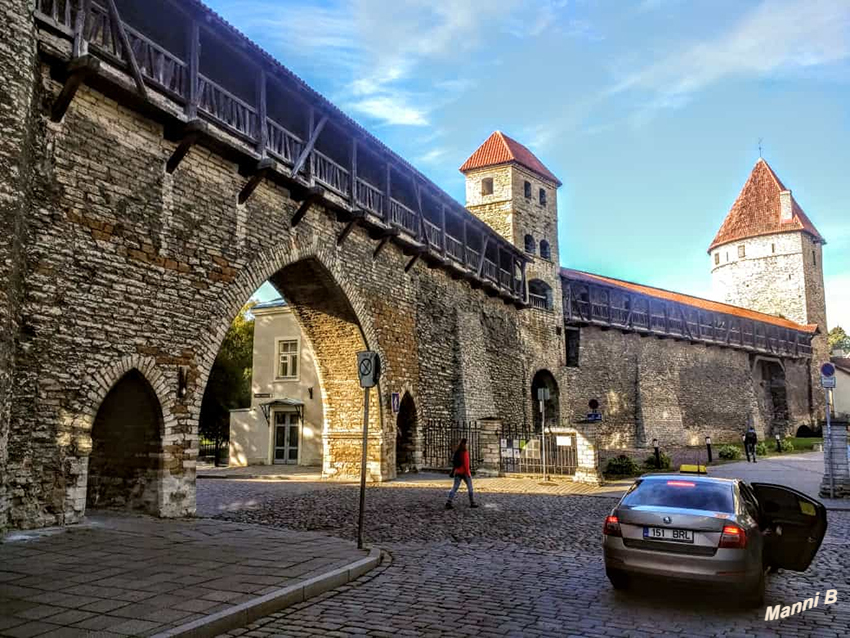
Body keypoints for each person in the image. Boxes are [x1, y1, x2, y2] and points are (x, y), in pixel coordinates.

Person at [445, 438, 478, 509]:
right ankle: (472, 502)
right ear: (465, 444)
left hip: (457, 472)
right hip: (465, 472)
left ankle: (449, 502)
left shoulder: (457, 451)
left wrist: (454, 471)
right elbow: (466, 464)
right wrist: (468, 473)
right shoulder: (465, 452)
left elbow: (454, 463)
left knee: (454, 487)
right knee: (470, 488)